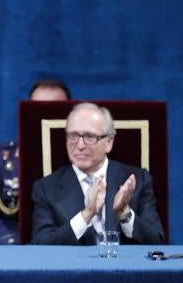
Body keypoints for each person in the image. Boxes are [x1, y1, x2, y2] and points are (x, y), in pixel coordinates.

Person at [31, 102, 164, 245]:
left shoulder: (138, 180)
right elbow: (40, 245)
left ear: (109, 142)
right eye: (73, 136)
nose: (80, 145)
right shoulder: (46, 188)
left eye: (89, 137)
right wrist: (86, 215)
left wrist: (125, 214)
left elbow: (157, 241)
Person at [0, 79, 70, 244]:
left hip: (65, 248)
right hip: (13, 251)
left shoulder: (80, 160)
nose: (44, 118)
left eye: (53, 110)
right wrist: (23, 248)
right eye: (38, 110)